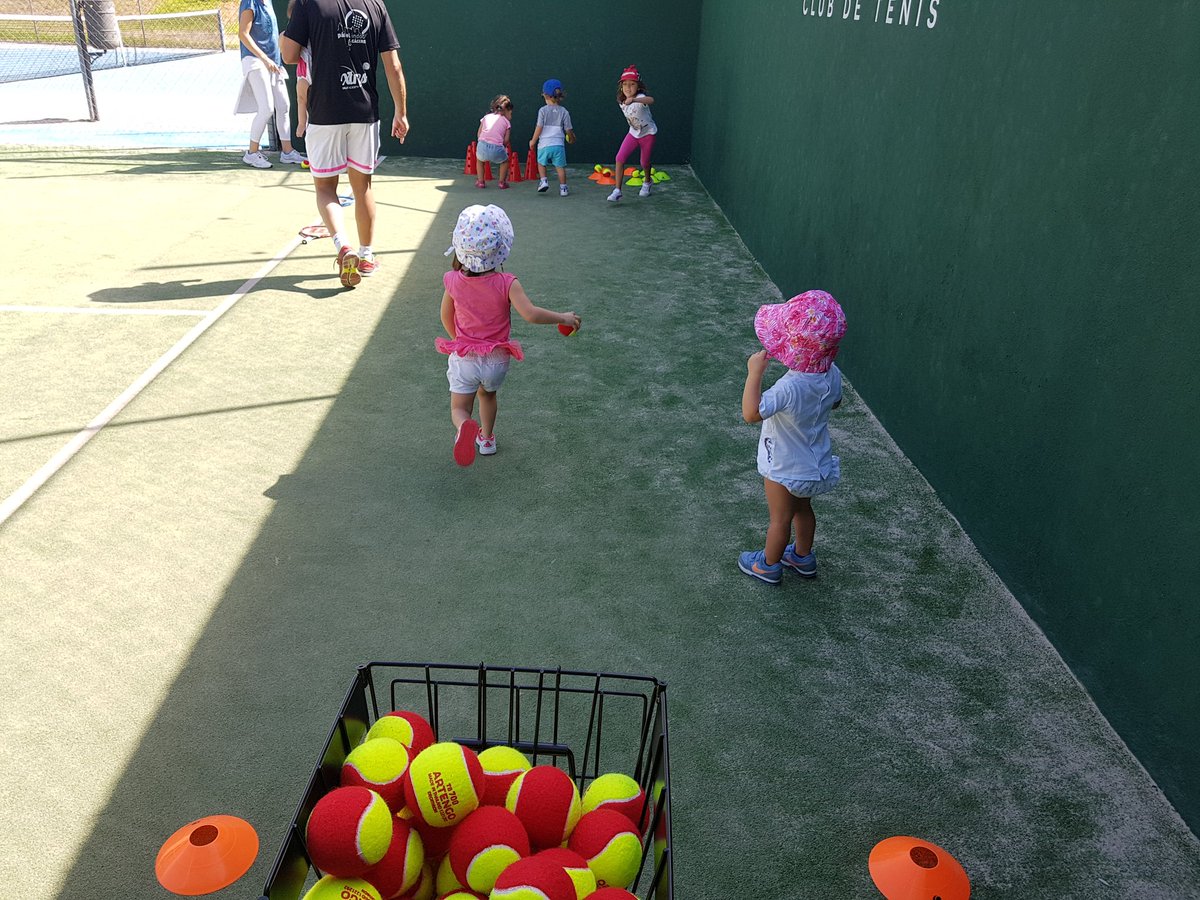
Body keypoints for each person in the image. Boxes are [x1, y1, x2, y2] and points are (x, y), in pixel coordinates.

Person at [436, 205, 581, 467]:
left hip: (465, 358)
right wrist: (563, 317)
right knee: (488, 395)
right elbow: (531, 314)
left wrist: (461, 342)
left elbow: (446, 316)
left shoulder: (453, 280)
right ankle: (487, 439)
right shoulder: (507, 283)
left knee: (459, 408)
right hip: (497, 360)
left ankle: (464, 426)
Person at [281, 0, 409, 288]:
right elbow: (394, 65)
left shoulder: (307, 3)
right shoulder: (375, 4)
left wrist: (287, 35)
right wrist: (401, 112)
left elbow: (289, 55)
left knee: (325, 189)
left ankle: (343, 247)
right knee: (363, 188)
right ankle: (366, 256)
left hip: (324, 114)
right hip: (365, 113)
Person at [739, 291, 847, 584]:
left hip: (784, 467)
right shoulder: (832, 374)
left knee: (779, 519)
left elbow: (751, 413)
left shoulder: (789, 387)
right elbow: (836, 402)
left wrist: (754, 373)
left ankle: (768, 565)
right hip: (814, 466)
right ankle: (802, 556)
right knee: (802, 509)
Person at [237, 0, 304, 168]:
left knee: (284, 106)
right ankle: (252, 153)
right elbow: (243, 34)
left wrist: (273, 60)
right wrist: (265, 59)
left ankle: (287, 152)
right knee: (266, 108)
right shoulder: (249, 2)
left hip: (274, 63)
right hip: (255, 61)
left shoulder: (268, 2)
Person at [607, 65, 657, 202]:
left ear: (638, 86)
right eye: (625, 84)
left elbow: (651, 100)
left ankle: (647, 182)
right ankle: (617, 190)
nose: (628, 88)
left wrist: (635, 100)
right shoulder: (621, 101)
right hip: (633, 134)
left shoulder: (641, 98)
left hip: (648, 134)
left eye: (632, 84)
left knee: (644, 162)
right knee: (619, 158)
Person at [529, 79, 575, 197]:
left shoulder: (542, 111)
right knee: (560, 167)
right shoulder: (564, 111)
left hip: (544, 145)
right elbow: (568, 129)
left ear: (545, 95)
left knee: (541, 163)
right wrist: (571, 138)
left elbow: (539, 127)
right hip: (558, 145)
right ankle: (563, 188)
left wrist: (533, 141)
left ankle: (543, 181)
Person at [475, 95, 514, 189]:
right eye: (511, 113)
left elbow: (479, 134)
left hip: (482, 146)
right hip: (497, 148)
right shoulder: (507, 122)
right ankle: (502, 183)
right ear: (507, 111)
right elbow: (506, 140)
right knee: (505, 162)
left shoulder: (486, 117)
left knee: (479, 160)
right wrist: (502, 147)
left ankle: (480, 182)